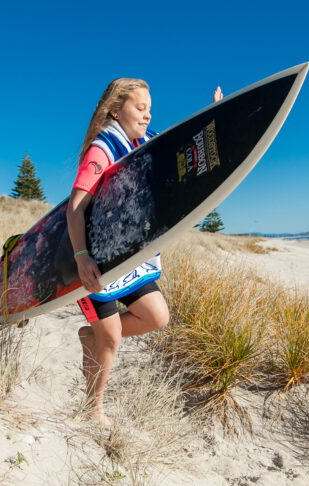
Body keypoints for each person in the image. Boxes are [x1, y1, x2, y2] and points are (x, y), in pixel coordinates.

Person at [66, 79, 222, 425]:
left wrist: (216, 116)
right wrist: (81, 257)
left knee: (157, 316)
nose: (148, 115)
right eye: (140, 108)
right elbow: (75, 208)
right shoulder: (102, 148)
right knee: (111, 339)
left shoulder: (144, 144)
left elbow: (180, 150)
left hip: (129, 256)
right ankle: (93, 409)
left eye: (150, 109)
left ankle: (89, 335)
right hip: (97, 261)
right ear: (115, 110)